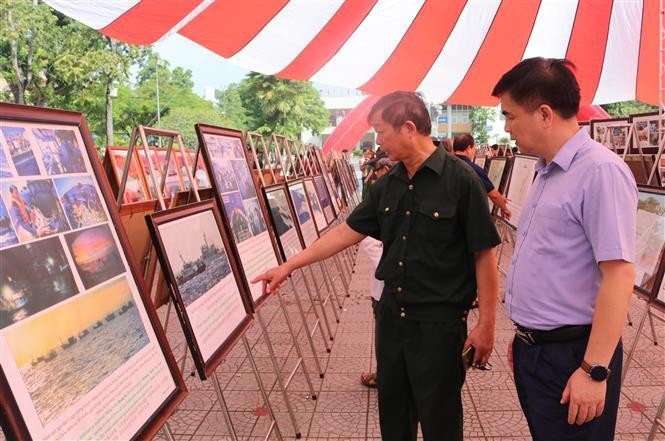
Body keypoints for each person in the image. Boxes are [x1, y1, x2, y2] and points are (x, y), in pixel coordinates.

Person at [252, 91, 500, 441]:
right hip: (391, 318)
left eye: (381, 132)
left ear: (409, 127)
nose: (378, 141)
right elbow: (345, 233)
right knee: (394, 418)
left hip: (439, 326)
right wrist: (291, 264)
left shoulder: (462, 182)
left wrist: (487, 325)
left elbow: (484, 256)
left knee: (440, 421)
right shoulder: (388, 184)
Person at [494, 57, 637, 441]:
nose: (507, 128)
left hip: (575, 355)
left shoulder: (599, 172)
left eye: (510, 116)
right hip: (537, 351)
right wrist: (526, 336)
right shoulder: (545, 169)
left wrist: (594, 369)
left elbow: (620, 275)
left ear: (543, 114)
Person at [358, 155, 396, 389]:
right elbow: (366, 239)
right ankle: (384, 375)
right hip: (385, 287)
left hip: (414, 289)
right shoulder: (379, 194)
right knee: (386, 336)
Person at [453, 134, 511, 220]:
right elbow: (494, 195)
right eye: (474, 148)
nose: (475, 152)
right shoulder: (472, 169)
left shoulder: (446, 165)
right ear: (469, 148)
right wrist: (504, 208)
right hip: (465, 217)